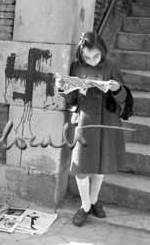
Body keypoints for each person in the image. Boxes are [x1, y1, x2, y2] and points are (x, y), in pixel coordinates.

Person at [55, 32, 127, 227]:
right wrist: (63, 88)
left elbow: (124, 98)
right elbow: (72, 100)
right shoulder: (76, 66)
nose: (92, 61)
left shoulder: (111, 65)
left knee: (101, 164)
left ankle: (94, 200)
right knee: (81, 167)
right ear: (81, 54)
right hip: (84, 121)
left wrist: (116, 89)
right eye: (87, 57)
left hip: (105, 120)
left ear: (102, 51)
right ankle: (85, 205)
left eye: (96, 56)